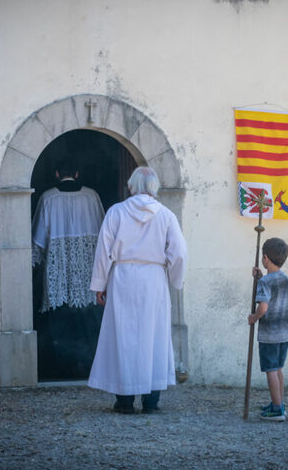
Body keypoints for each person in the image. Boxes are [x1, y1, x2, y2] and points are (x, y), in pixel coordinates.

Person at [87, 167, 187, 413]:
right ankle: (151, 401)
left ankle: (125, 401)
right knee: (154, 337)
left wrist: (99, 284)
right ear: (155, 188)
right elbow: (180, 254)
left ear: (131, 186)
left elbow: (103, 251)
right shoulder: (166, 215)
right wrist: (176, 281)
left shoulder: (116, 212)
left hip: (122, 279)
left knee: (123, 337)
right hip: (153, 280)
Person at [32, 161, 105, 312]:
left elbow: (38, 237)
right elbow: (102, 229)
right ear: (77, 174)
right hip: (86, 260)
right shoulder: (91, 196)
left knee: (60, 310)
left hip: (58, 260)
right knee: (88, 310)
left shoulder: (48, 197)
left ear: (57, 174)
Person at [248, 237, 288, 422]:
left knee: (271, 370)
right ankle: (279, 403)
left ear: (265, 257)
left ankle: (276, 409)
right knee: (278, 368)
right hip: (284, 333)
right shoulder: (284, 278)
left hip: (269, 335)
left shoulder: (265, 282)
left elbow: (263, 307)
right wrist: (260, 277)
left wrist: (254, 317)